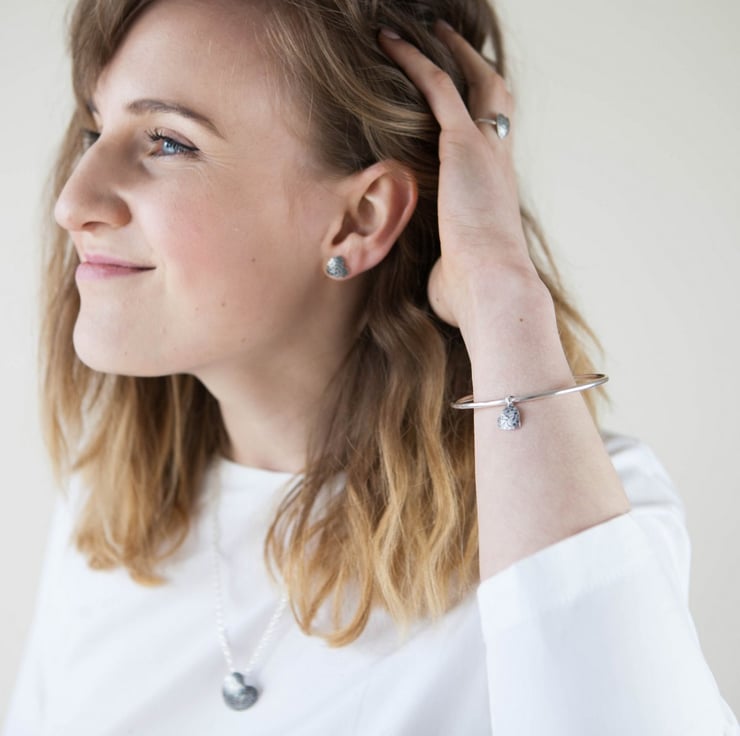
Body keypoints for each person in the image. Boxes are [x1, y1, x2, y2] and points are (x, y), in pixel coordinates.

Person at [3, 0, 738, 734]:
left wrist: (499, 288)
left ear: (361, 218)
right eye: (95, 130)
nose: (73, 201)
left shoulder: (576, 516)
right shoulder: (106, 520)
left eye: (168, 142)